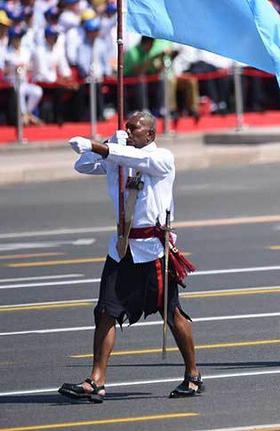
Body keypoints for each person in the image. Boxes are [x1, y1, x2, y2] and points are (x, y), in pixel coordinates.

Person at [59, 111, 204, 402]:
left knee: (172, 313)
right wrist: (105, 142)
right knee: (105, 312)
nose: (129, 131)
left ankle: (193, 375)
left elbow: (136, 160)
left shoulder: (162, 158)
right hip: (122, 249)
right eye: (126, 127)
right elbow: (83, 165)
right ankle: (96, 381)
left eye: (135, 128)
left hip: (153, 251)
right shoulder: (118, 156)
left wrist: (102, 147)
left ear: (150, 134)